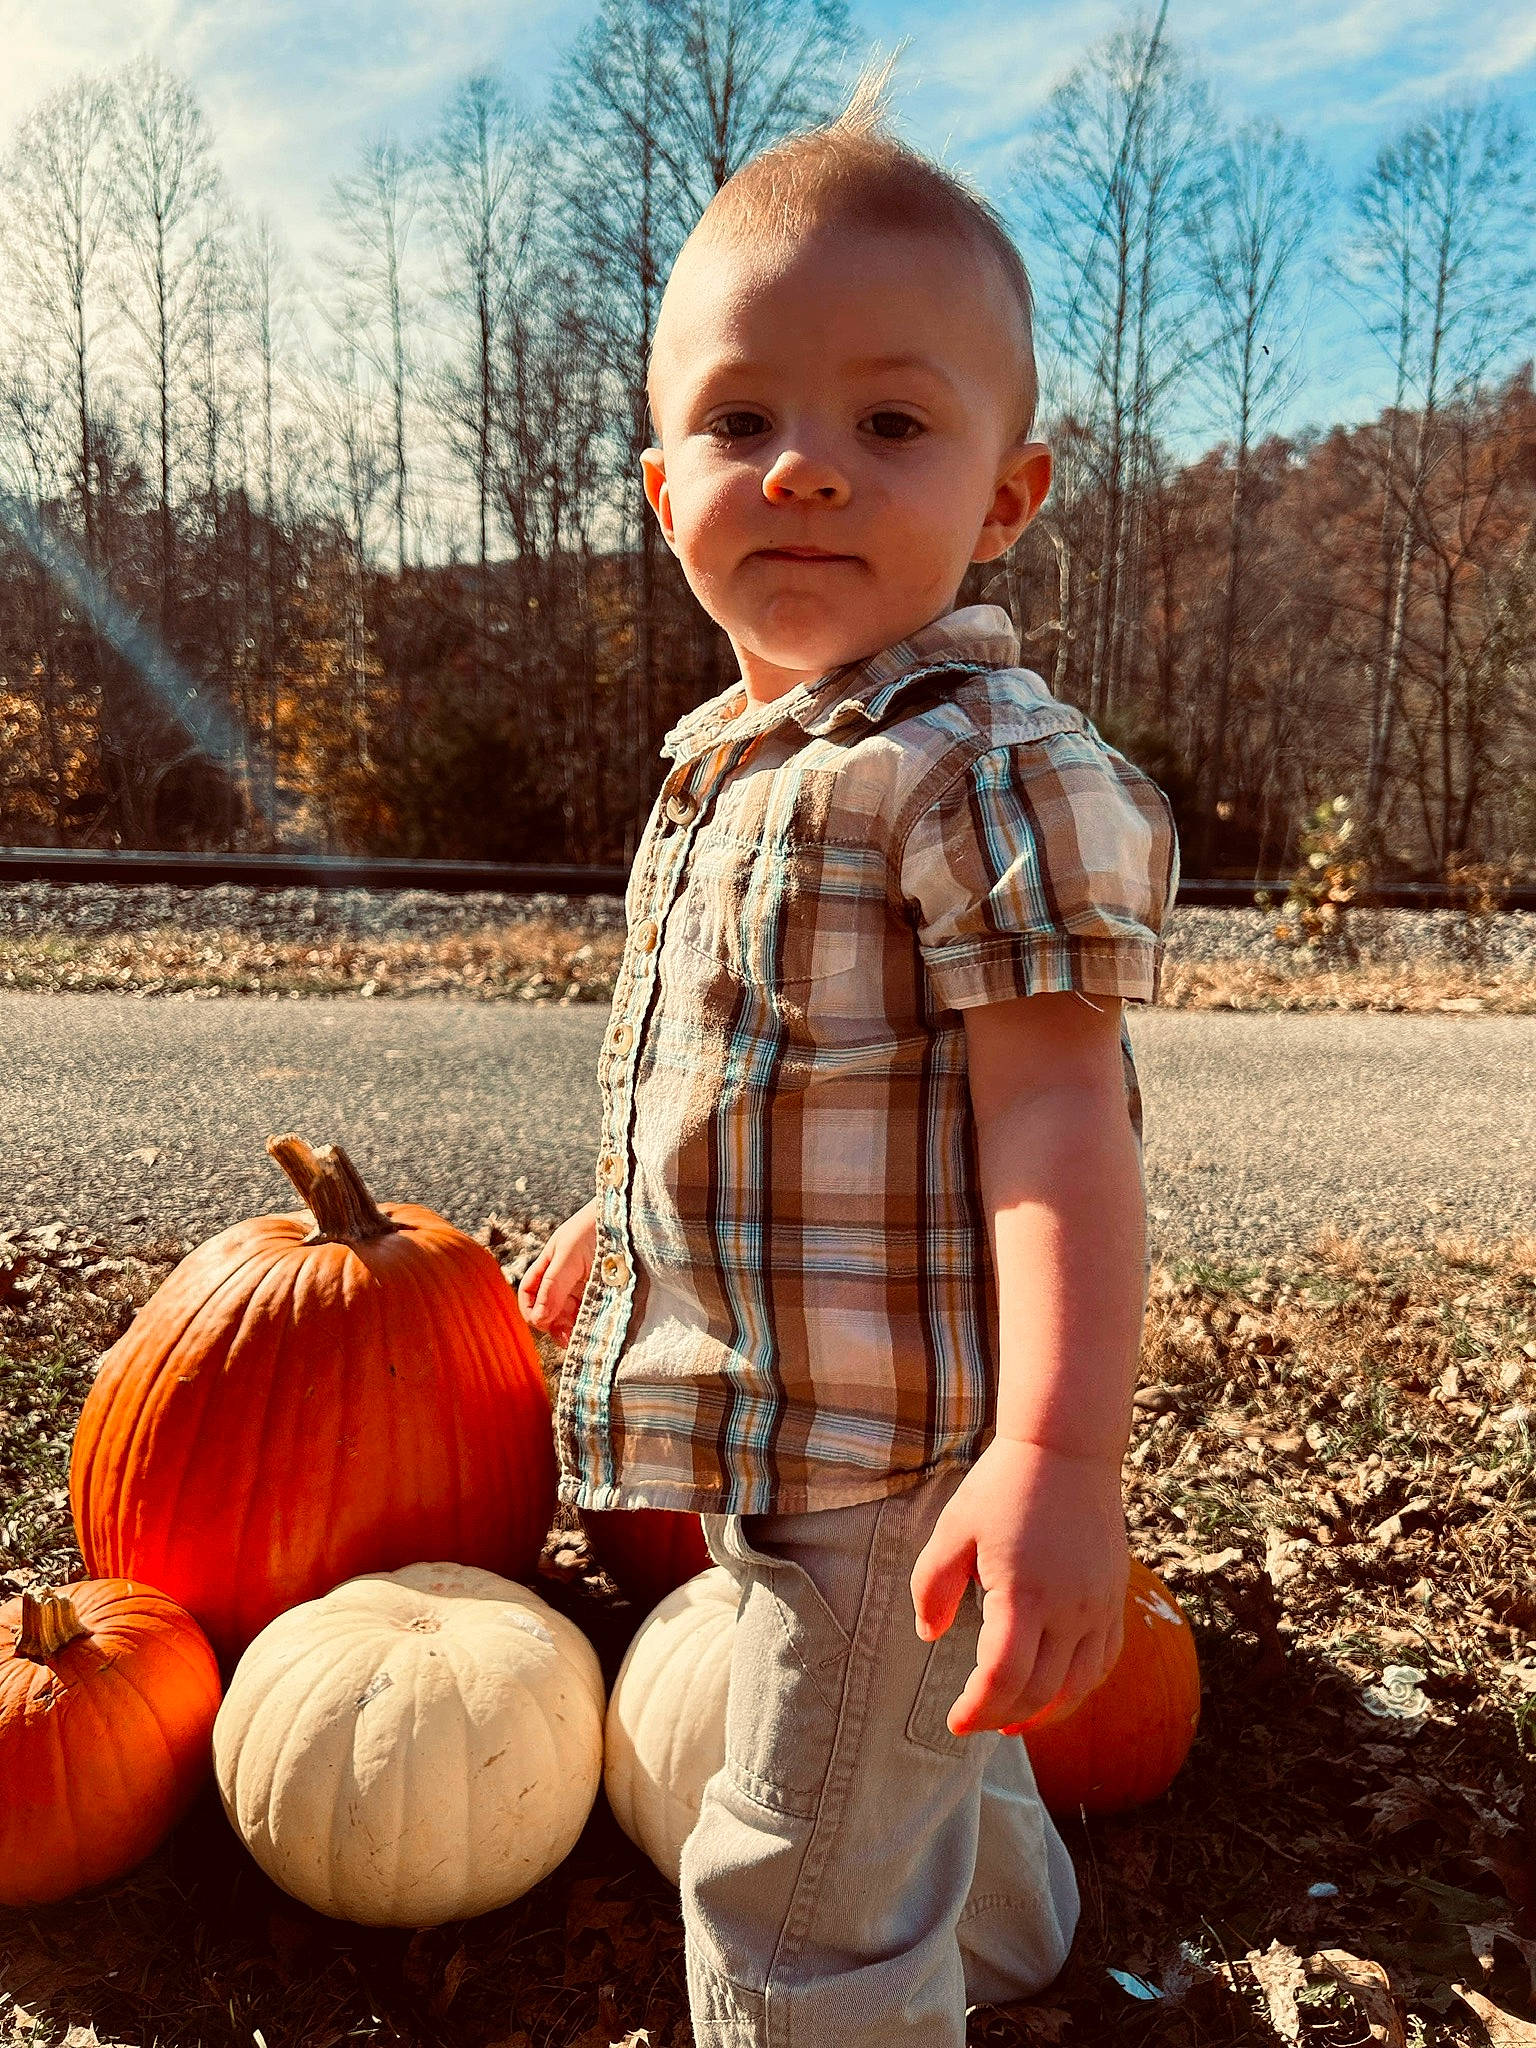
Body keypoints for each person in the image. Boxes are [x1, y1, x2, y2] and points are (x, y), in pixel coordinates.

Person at [517, 60, 1180, 2048]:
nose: (804, 468)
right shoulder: (741, 764)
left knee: (789, 1893)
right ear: (663, 489)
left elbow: (1061, 1120)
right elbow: (766, 1077)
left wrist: (1057, 1458)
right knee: (908, 1761)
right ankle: (1005, 1943)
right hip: (795, 1429)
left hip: (904, 1459)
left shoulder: (978, 770)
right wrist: (632, 1219)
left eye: (889, 423)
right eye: (743, 420)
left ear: (1005, 496)